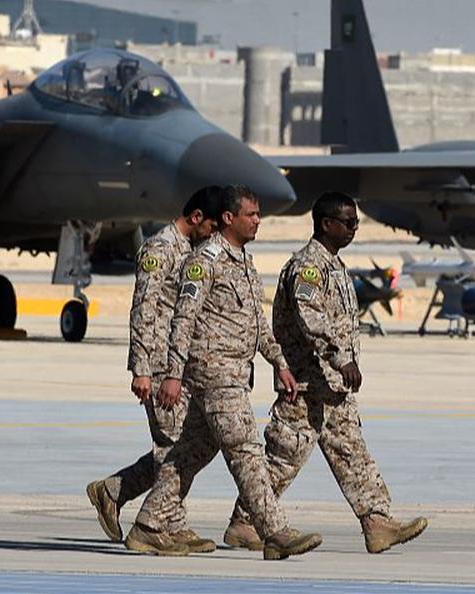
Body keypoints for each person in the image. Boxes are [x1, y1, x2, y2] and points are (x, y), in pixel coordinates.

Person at [223, 192, 428, 554]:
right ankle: (245, 522)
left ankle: (376, 522)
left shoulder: (334, 266)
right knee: (284, 458)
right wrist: (341, 358)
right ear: (326, 224)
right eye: (348, 222)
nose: (354, 228)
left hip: (330, 386)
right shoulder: (308, 267)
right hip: (306, 383)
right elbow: (311, 319)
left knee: (351, 452)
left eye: (356, 222)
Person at [126, 185, 323, 560]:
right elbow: (182, 317)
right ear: (229, 218)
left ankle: (149, 525)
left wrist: (279, 362)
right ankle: (275, 531)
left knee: (191, 451)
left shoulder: (244, 262)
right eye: (252, 214)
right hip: (214, 374)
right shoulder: (205, 261)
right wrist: (172, 373)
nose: (258, 221)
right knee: (246, 451)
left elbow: (255, 322)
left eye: (259, 214)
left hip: (234, 372)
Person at [85, 185, 223, 553]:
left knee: (193, 443)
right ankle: (165, 525)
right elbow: (143, 309)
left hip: (181, 364)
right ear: (196, 218)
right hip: (160, 364)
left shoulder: (192, 252)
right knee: (174, 446)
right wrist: (141, 369)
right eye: (211, 227)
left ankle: (116, 490)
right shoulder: (159, 250)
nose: (213, 236)